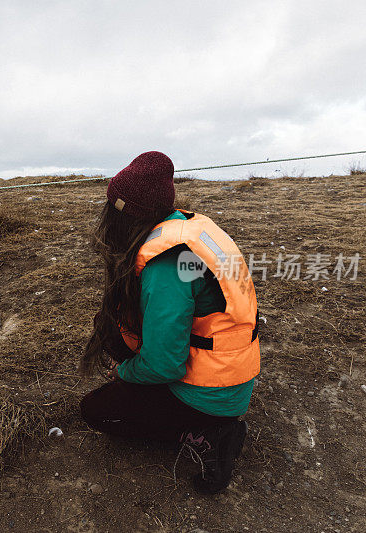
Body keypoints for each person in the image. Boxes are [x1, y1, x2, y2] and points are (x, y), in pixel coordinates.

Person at [79, 151, 260, 494]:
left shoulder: (165, 265)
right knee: (108, 321)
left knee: (96, 410)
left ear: (123, 216)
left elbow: (165, 365)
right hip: (230, 373)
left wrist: (124, 373)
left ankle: (210, 435)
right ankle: (203, 419)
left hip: (209, 393)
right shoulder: (188, 230)